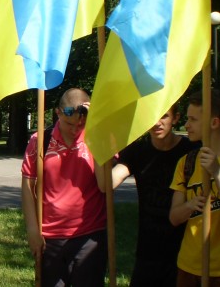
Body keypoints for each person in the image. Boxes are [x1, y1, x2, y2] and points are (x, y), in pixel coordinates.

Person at [21, 88, 106, 287]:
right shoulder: (40, 141)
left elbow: (105, 185)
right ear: (58, 113)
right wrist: (32, 229)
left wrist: (96, 127)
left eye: (80, 124)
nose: (75, 130)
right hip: (50, 238)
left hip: (89, 235)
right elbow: (28, 186)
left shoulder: (97, 137)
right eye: (69, 124)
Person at [103, 104, 195, 286]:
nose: (156, 123)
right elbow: (109, 183)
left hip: (185, 249)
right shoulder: (137, 151)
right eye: (151, 116)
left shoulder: (192, 150)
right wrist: (104, 150)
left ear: (176, 118)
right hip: (148, 249)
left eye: (164, 116)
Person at [169, 90, 220, 286]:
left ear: (214, 122)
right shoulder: (187, 163)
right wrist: (190, 205)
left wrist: (216, 172)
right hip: (189, 267)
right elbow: (174, 217)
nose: (186, 125)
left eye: (193, 119)